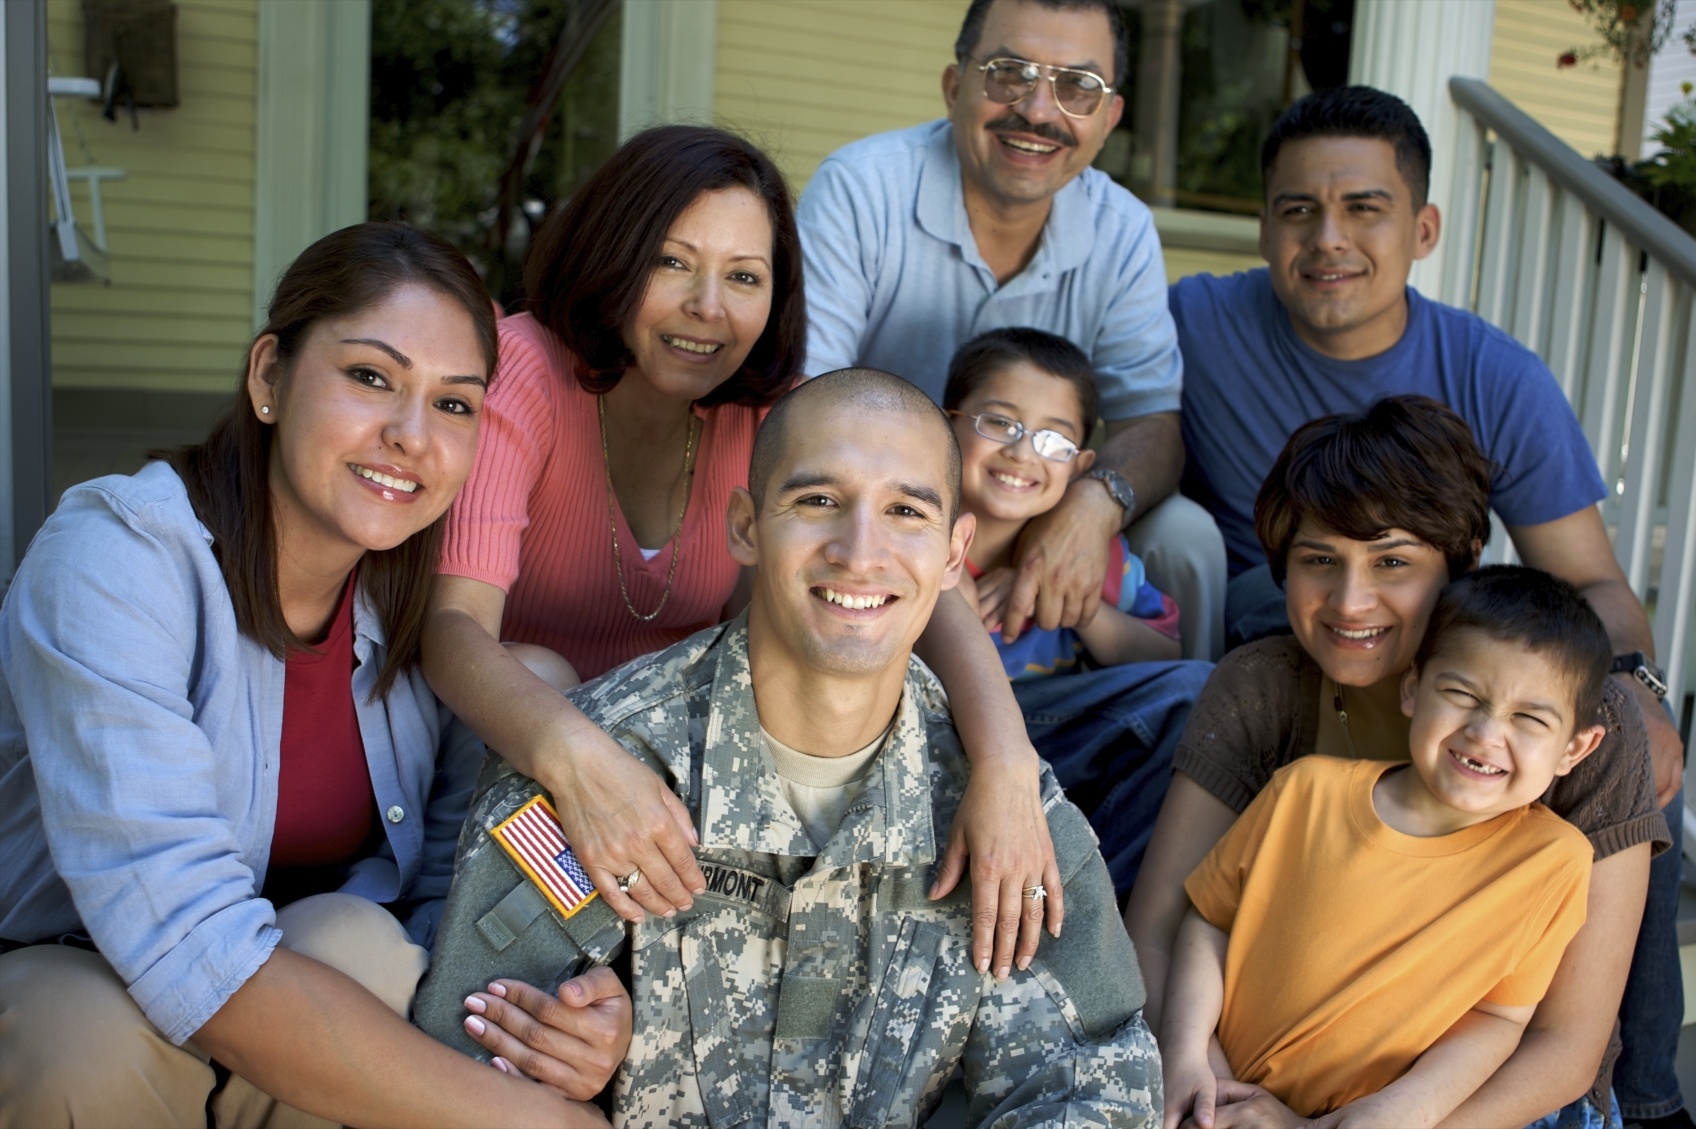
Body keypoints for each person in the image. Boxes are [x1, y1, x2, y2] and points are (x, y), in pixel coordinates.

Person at [0, 223, 628, 1127]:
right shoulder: (115, 556)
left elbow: (473, 915)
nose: (411, 435)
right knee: (78, 1033)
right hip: (78, 963)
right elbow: (185, 941)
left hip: (288, 996)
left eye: (454, 405)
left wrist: (574, 1014)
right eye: (371, 377)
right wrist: (527, 1119)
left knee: (361, 947)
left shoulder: (415, 601)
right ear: (269, 377)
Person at [416, 369, 1161, 1126]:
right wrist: (585, 1067)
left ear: (952, 552)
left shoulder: (1000, 810)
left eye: (906, 510)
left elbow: (1093, 1079)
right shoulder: (604, 767)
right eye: (818, 501)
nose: (859, 550)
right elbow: (475, 1050)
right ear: (745, 525)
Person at [423, 125, 1062, 984]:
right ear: (613, 254)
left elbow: (923, 583)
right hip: (517, 739)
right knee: (536, 666)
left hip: (676, 755)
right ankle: (456, 947)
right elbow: (453, 633)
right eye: (673, 263)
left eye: (745, 277)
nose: (709, 308)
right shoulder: (525, 372)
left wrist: (1008, 761)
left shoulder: (773, 415)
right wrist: (578, 753)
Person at [1172, 84, 1687, 1128]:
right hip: (1265, 654)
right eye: (1295, 211)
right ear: (1263, 221)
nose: (1326, 239)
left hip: (1449, 674)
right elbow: (1096, 410)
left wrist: (1625, 689)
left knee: (1614, 751)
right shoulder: (1194, 320)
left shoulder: (1493, 376)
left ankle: (1651, 1098)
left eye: (1362, 207)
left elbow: (1589, 582)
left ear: (1421, 228)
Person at [1127, 396, 1669, 1127]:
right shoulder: (1264, 688)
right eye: (1319, 559)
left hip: (1479, 1107)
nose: (1351, 601)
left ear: (1459, 564)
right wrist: (1217, 1094)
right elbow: (1166, 925)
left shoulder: (1576, 721)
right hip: (1242, 1081)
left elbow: (1562, 1042)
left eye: (1392, 561)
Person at [797, 0, 1227, 662]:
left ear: (1109, 118)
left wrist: (1089, 506)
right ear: (954, 86)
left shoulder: (1123, 230)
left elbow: (1153, 428)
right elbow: (808, 404)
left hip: (1030, 497)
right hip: (877, 503)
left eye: (1078, 88)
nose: (1039, 110)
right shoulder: (862, 190)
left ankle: (1187, 741)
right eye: (1008, 73)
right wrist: (927, 539)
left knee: (1187, 536)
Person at [1164, 566, 1607, 1126]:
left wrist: (1402, 1111)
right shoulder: (1305, 791)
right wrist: (1189, 1060)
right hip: (1212, 1097)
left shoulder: (1554, 864)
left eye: (1528, 719)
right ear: (1413, 689)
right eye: (1461, 693)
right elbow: (1209, 925)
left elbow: (1498, 1017)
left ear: (1575, 748)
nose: (1486, 732)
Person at [944, 327, 1209, 891]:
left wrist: (1080, 607)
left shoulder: (1089, 558)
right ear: (947, 423)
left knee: (1197, 692)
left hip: (1056, 733)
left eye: (1053, 441)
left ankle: (1100, 903)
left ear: (1082, 464)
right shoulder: (916, 528)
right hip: (940, 739)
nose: (1021, 452)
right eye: (999, 423)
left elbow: (1168, 653)